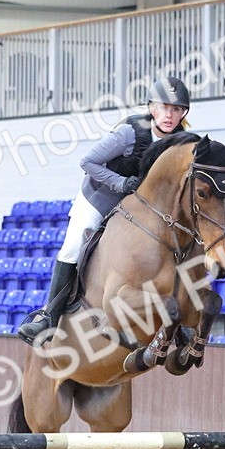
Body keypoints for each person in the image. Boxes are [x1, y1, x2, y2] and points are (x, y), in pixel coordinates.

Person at [16, 75, 192, 346]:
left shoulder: (180, 142)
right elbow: (88, 162)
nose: (169, 115)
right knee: (72, 248)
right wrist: (121, 183)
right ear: (151, 108)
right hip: (100, 199)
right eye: (164, 107)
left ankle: (178, 321)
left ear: (183, 113)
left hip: (139, 209)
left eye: (176, 109)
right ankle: (49, 318)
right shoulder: (130, 132)